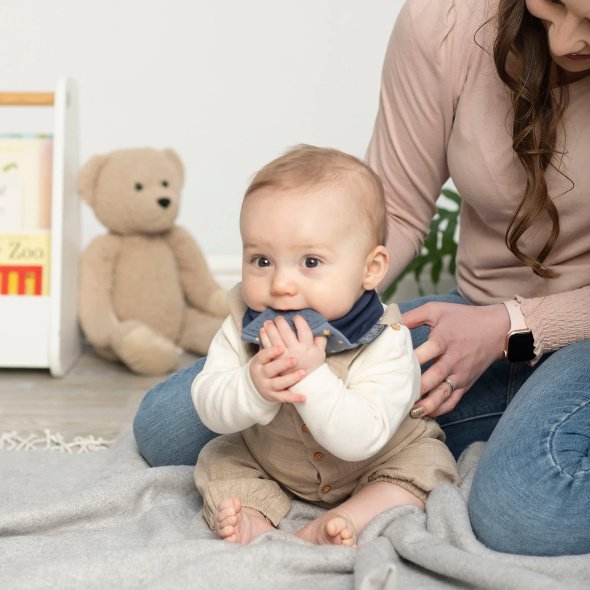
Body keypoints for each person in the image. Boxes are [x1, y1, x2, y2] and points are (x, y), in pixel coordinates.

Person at [133, 0, 590, 556]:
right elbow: (389, 208)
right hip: (478, 311)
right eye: (554, 6)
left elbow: (362, 431)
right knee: (166, 427)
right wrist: (320, 293)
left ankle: (527, 438)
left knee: (524, 511)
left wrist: (511, 327)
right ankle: (526, 427)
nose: (566, 39)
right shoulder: (444, 22)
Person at [192, 145, 458, 545]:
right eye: (262, 261)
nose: (281, 285)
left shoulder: (385, 338)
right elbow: (209, 402)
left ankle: (352, 516)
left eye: (310, 263)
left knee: (426, 464)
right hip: (274, 461)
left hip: (375, 460)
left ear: (371, 269)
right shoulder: (243, 325)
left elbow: (362, 438)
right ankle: (251, 515)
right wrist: (251, 385)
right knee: (219, 457)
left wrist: (313, 376)